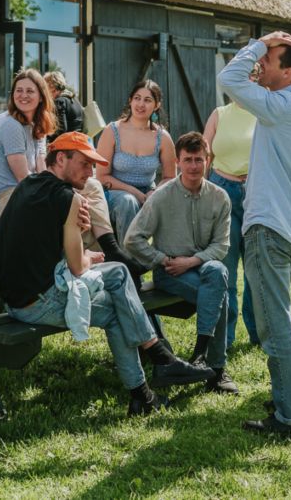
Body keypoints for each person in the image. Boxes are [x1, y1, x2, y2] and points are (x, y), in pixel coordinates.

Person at [0, 131, 214, 417]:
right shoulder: (67, 198)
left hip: (13, 297)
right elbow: (76, 267)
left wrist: (78, 232)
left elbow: (39, 243)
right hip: (35, 304)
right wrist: (88, 255)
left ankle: (146, 388)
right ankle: (156, 364)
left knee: (118, 280)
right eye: (84, 164)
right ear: (61, 158)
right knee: (117, 287)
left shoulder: (30, 185)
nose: (91, 172)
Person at [217, 31, 291, 437]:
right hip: (283, 223)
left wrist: (258, 42)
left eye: (270, 59)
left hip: (269, 225)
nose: (261, 63)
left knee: (273, 324)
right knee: (274, 319)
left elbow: (229, 79)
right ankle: (286, 397)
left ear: (288, 71)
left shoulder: (283, 106)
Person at [125, 131, 238, 394]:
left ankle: (200, 357)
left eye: (199, 160)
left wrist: (191, 262)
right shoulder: (162, 197)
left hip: (202, 269)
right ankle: (216, 369)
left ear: (208, 160)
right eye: (188, 160)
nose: (194, 166)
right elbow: (133, 238)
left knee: (217, 271)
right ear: (177, 161)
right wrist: (161, 259)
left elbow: (221, 246)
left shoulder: (219, 197)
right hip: (170, 273)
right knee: (219, 292)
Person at [203, 98, 258, 347]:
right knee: (226, 266)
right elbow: (205, 155)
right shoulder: (219, 114)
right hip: (220, 189)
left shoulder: (264, 111)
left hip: (256, 191)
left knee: (256, 269)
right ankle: (225, 336)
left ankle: (259, 333)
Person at [95, 80, 176, 241]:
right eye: (137, 98)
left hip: (149, 192)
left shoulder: (163, 137)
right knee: (128, 202)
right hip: (115, 193)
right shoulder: (112, 131)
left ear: (157, 105)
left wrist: (154, 192)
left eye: (147, 100)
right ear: (130, 100)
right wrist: (136, 193)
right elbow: (102, 176)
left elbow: (170, 177)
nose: (141, 104)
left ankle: (167, 260)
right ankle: (130, 260)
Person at [0, 68, 55, 217]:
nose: (23, 95)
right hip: (8, 191)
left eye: (30, 91)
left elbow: (41, 164)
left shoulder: (38, 124)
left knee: (88, 189)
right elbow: (22, 177)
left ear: (41, 96)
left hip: (30, 186)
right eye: (19, 90)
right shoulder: (8, 123)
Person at [44, 70, 84, 140]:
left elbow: (61, 131)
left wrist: (44, 135)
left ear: (52, 87)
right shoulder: (73, 99)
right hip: (78, 142)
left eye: (45, 88)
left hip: (67, 146)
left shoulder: (59, 102)